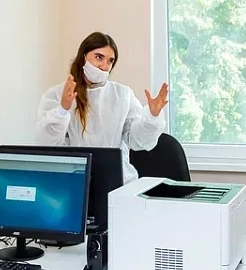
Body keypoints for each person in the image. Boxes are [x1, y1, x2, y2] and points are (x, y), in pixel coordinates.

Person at [37, 32, 169, 184]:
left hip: (117, 180)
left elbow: (138, 141)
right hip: (74, 180)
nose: (104, 66)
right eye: (99, 57)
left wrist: (152, 117)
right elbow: (46, 144)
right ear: (83, 57)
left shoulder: (122, 94)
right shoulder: (57, 94)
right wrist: (62, 110)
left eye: (110, 61)